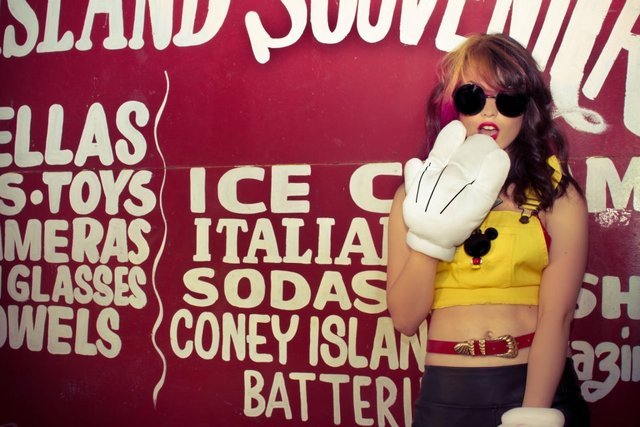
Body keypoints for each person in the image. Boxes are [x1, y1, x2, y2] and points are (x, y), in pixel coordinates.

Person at [386, 34, 590, 427]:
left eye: (508, 100)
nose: (490, 112)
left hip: (538, 386)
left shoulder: (557, 193)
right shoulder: (414, 194)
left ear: (527, 110)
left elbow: (558, 315)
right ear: (454, 106)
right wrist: (431, 236)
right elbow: (406, 319)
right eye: (473, 97)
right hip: (449, 394)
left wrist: (533, 415)